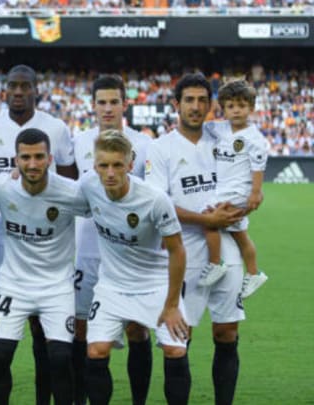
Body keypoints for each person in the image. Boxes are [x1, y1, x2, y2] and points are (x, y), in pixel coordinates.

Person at [0, 64, 76, 404]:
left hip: (44, 235)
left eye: (24, 87)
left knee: (43, 333)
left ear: (36, 90)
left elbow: (67, 181)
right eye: (12, 86)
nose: (18, 92)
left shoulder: (57, 128)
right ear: (4, 90)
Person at [146, 73, 247, 405]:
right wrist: (207, 219)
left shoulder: (223, 140)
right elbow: (158, 205)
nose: (195, 106)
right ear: (176, 104)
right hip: (182, 250)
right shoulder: (160, 149)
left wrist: (230, 212)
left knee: (226, 332)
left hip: (225, 246)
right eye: (188, 99)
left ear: (210, 105)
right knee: (177, 343)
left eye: (202, 99)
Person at [81, 130, 190, 405]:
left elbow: (177, 251)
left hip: (155, 283)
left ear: (130, 165)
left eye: (117, 165)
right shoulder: (88, 187)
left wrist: (172, 304)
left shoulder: (154, 199)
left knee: (175, 350)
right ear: (95, 166)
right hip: (112, 286)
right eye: (103, 165)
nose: (110, 172)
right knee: (96, 351)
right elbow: (55, 193)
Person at [0, 128, 89, 405]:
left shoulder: (71, 192)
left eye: (39, 157)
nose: (32, 164)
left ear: (50, 158)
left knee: (60, 358)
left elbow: (104, 208)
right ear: (15, 160)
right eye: (26, 157)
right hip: (14, 285)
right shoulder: (0, 187)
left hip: (57, 287)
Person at [70, 75, 153, 405]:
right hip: (86, 249)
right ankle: (80, 399)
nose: (107, 108)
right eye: (101, 102)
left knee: (136, 330)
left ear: (125, 104)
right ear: (92, 105)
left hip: (130, 254)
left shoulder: (145, 144)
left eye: (113, 102)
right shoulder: (78, 142)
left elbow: (153, 197)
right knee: (80, 330)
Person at [197, 80, 269, 298]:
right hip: (225, 188)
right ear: (223, 109)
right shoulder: (219, 129)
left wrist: (256, 193)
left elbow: (258, 167)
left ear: (251, 108)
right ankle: (254, 273)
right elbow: (197, 127)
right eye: (230, 106)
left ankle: (215, 262)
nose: (236, 110)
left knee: (208, 219)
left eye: (241, 105)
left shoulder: (254, 138)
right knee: (240, 235)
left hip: (238, 192)